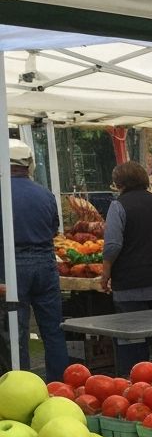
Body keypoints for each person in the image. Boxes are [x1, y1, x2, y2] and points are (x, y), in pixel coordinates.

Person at [100, 161, 152, 373]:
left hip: (130, 286)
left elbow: (112, 245)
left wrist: (105, 273)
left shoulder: (118, 206)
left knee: (132, 342)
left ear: (119, 183)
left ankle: (133, 384)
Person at [0, 140, 69, 381]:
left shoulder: (2, 192)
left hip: (11, 264)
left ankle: (22, 384)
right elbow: (53, 229)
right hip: (45, 263)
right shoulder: (45, 193)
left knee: (16, 331)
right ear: (29, 164)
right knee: (53, 330)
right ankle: (60, 384)